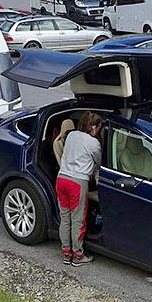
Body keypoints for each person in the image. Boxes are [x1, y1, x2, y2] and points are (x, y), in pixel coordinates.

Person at [56, 112, 102, 267]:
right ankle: (78, 255)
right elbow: (99, 162)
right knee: (78, 220)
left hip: (61, 179)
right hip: (77, 183)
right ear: (93, 127)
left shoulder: (71, 135)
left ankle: (66, 253)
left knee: (65, 218)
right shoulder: (93, 143)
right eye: (98, 128)